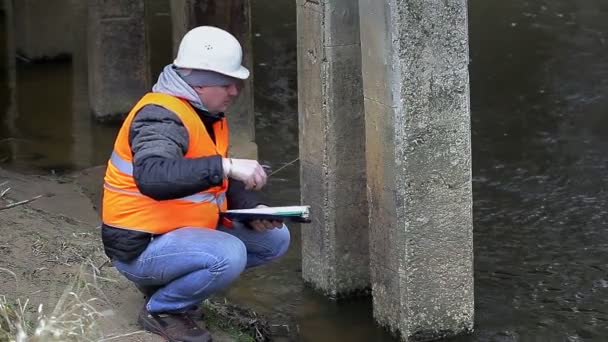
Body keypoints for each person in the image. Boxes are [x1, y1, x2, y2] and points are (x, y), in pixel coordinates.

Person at [100, 26, 290, 342]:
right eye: (227, 84)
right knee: (228, 254)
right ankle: (163, 309)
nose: (234, 92)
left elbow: (216, 183)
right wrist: (225, 165)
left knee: (275, 239)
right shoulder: (159, 116)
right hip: (140, 246)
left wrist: (253, 208)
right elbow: (153, 177)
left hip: (177, 235)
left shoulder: (206, 114)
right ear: (199, 83)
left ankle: (173, 287)